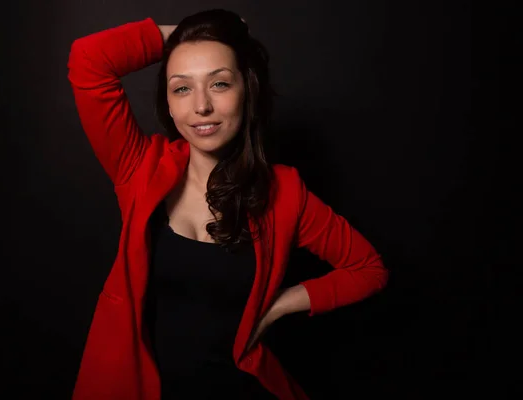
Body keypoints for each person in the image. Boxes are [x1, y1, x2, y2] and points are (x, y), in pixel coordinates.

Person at [67, 9, 388, 400]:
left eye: (219, 84)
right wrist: (189, 34)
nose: (201, 106)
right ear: (167, 102)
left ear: (246, 90)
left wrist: (280, 305)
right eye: (182, 88)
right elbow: (89, 61)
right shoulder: (139, 168)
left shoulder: (284, 191)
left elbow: (368, 269)